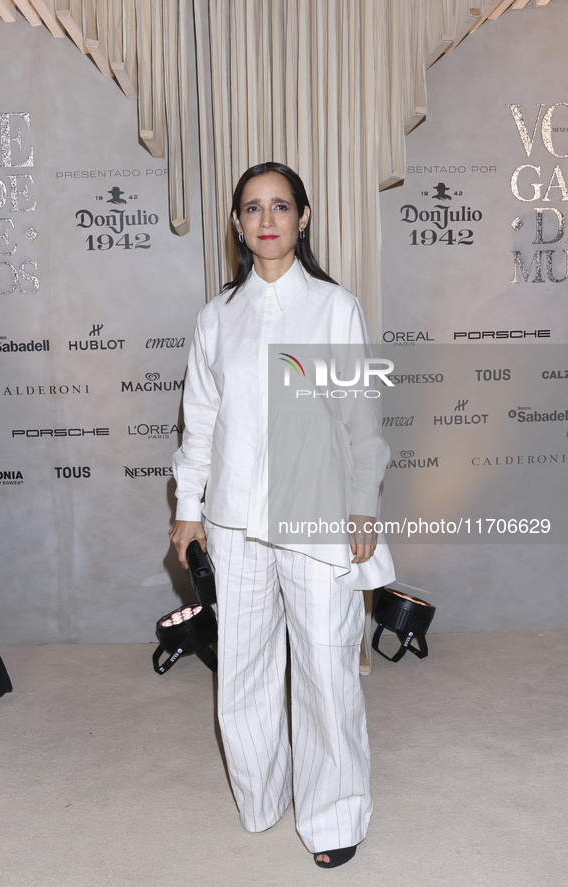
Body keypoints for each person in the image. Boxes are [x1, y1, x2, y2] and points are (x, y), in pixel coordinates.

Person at [169, 162, 395, 868]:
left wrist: (362, 503)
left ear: (302, 217)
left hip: (317, 512)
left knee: (326, 667)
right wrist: (188, 508)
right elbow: (198, 420)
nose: (266, 219)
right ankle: (261, 796)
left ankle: (332, 814)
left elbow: (360, 420)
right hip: (233, 520)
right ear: (237, 225)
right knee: (242, 668)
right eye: (251, 208)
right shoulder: (216, 317)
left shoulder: (334, 308)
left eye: (279, 206)